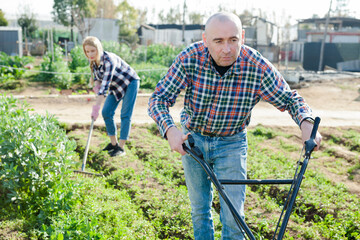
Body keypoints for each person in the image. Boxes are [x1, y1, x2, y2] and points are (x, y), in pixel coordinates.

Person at [148, 12, 322, 240]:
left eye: (233, 40)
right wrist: (170, 130)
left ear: (242, 37)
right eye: (218, 41)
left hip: (232, 141)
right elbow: (158, 98)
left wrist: (306, 123)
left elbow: (290, 99)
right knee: (200, 210)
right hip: (194, 140)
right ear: (205, 40)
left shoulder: (256, 66)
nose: (227, 49)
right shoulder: (190, 58)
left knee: (233, 216)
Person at [83, 36, 140, 157]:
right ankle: (113, 144)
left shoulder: (109, 60)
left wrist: (96, 108)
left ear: (98, 48)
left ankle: (121, 148)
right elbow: (98, 80)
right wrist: (96, 86)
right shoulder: (93, 61)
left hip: (130, 83)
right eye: (87, 51)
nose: (90, 54)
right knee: (107, 112)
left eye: (93, 51)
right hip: (116, 86)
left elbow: (105, 87)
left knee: (125, 114)